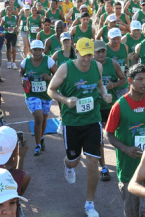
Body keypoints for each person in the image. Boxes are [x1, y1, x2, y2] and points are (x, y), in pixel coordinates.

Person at [46, 38, 113, 217]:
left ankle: (90, 204)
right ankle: (68, 165)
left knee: (92, 160)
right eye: (83, 55)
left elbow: (100, 86)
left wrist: (105, 94)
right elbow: (51, 90)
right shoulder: (65, 68)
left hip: (93, 120)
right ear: (76, 53)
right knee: (74, 161)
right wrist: (66, 100)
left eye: (89, 55)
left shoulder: (97, 67)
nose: (86, 59)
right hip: (72, 122)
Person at [105, 64, 145, 217]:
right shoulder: (119, 106)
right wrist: (125, 149)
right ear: (130, 81)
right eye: (139, 79)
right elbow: (109, 134)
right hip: (128, 167)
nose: (144, 83)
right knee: (132, 211)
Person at [95, 40, 128, 181]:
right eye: (98, 52)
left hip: (111, 107)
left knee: (119, 137)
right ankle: (103, 167)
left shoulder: (113, 63)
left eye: (103, 51)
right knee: (99, 140)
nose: (101, 54)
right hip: (95, 108)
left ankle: (124, 166)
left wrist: (113, 85)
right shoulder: (89, 66)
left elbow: (124, 79)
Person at [20, 40, 57, 156]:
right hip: (32, 95)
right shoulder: (25, 62)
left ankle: (41, 138)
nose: (37, 52)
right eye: (35, 50)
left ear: (43, 51)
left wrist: (49, 77)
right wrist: (23, 80)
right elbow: (21, 73)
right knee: (38, 118)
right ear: (31, 51)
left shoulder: (48, 61)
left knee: (44, 119)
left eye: (39, 50)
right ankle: (37, 146)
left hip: (46, 94)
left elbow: (58, 75)